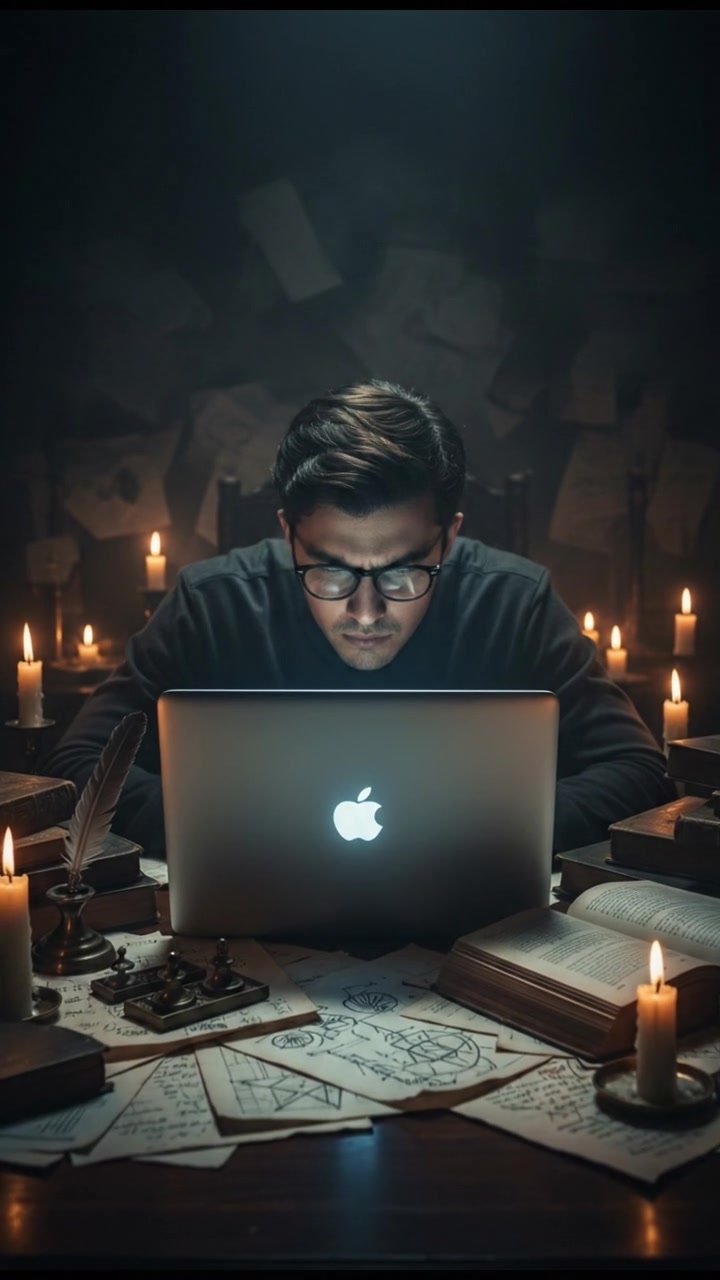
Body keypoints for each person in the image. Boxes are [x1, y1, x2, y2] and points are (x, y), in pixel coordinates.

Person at [43, 380, 676, 856]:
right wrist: (235, 829)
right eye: (330, 570)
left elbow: (638, 771)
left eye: (403, 571)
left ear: (449, 537)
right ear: (289, 534)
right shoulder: (211, 603)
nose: (366, 613)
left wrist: (477, 832)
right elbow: (78, 766)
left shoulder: (516, 601)